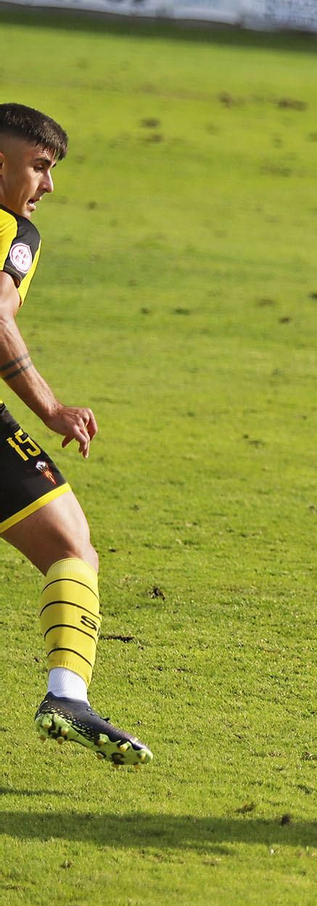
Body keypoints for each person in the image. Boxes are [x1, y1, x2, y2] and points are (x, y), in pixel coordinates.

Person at [0, 103, 150, 766]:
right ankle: (66, 696)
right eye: (39, 166)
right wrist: (52, 407)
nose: (48, 186)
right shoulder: (14, 230)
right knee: (71, 546)